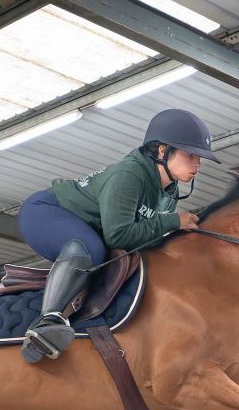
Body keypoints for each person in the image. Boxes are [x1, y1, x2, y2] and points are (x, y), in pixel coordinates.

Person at [17, 108, 219, 363]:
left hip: (84, 225)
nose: (198, 164)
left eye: (200, 158)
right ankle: (48, 322)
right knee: (92, 250)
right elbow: (118, 236)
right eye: (191, 155)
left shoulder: (169, 192)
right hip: (45, 212)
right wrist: (173, 221)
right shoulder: (130, 175)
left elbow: (145, 238)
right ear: (161, 150)